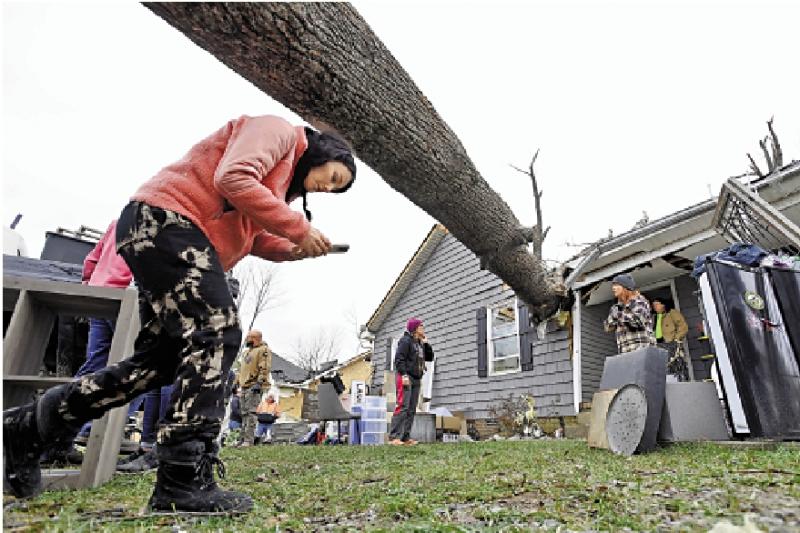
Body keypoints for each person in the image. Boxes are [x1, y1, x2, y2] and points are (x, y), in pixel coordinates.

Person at [3, 115, 356, 513]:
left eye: (335, 189)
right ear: (323, 151)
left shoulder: (277, 190)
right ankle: (182, 477)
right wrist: (296, 227)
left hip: (164, 232)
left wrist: (295, 247)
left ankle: (33, 425)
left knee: (159, 363)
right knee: (217, 331)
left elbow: (254, 237)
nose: (328, 187)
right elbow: (233, 177)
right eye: (334, 176)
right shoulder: (278, 132)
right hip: (166, 220)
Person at [389, 318, 435, 446]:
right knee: (402, 406)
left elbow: (430, 358)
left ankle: (405, 437)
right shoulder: (405, 341)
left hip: (416, 378)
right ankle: (394, 437)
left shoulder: (419, 343)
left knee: (411, 409)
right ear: (414, 328)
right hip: (405, 377)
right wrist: (403, 375)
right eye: (421, 326)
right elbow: (399, 359)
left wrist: (426, 344)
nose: (423, 328)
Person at [237, 330, 273, 447]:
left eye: (249, 338)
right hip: (244, 386)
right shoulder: (247, 352)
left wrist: (259, 382)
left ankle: (248, 440)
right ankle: (242, 439)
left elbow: (265, 367)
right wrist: (236, 382)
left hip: (254, 386)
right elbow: (242, 369)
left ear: (255, 338)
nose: (247, 340)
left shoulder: (263, 350)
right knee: (243, 414)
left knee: (251, 413)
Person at [603, 274, 656, 354]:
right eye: (613, 285)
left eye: (616, 285)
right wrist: (616, 316)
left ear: (626, 287)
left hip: (643, 351)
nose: (613, 288)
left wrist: (617, 315)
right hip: (625, 353)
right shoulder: (616, 307)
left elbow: (637, 322)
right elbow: (608, 327)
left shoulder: (640, 301)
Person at [651, 296, 690, 380]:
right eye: (653, 305)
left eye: (657, 304)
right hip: (658, 345)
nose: (655, 307)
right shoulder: (654, 317)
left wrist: (676, 339)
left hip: (671, 344)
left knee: (676, 367)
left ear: (663, 305)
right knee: (663, 369)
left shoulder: (672, 313)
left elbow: (683, 326)